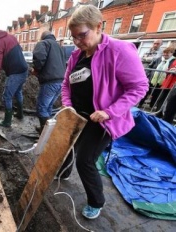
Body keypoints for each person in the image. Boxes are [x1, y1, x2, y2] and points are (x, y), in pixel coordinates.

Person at [59, 5, 148, 220]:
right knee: (66, 144)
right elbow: (66, 83)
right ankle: (63, 172)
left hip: (102, 120)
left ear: (98, 26)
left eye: (82, 35)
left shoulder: (120, 51)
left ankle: (96, 201)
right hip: (76, 114)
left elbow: (139, 87)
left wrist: (109, 112)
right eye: (74, 37)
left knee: (85, 160)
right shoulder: (77, 55)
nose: (77, 42)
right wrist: (67, 104)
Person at [31, 31, 66, 133]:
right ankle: (47, 129)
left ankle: (44, 134)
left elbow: (39, 59)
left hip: (50, 81)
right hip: (61, 82)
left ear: (43, 36)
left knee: (41, 108)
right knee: (48, 106)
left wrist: (36, 70)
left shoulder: (43, 43)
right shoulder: (60, 47)